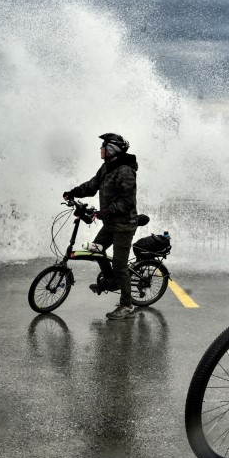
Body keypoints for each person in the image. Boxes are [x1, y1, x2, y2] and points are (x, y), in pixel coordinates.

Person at [63, 133, 139, 321]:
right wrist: (73, 193)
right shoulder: (107, 167)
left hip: (124, 227)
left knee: (120, 266)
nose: (100, 150)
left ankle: (127, 305)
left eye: (103, 147)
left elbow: (126, 202)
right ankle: (112, 281)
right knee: (97, 250)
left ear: (111, 150)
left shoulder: (125, 171)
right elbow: (92, 185)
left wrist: (102, 213)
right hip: (111, 224)